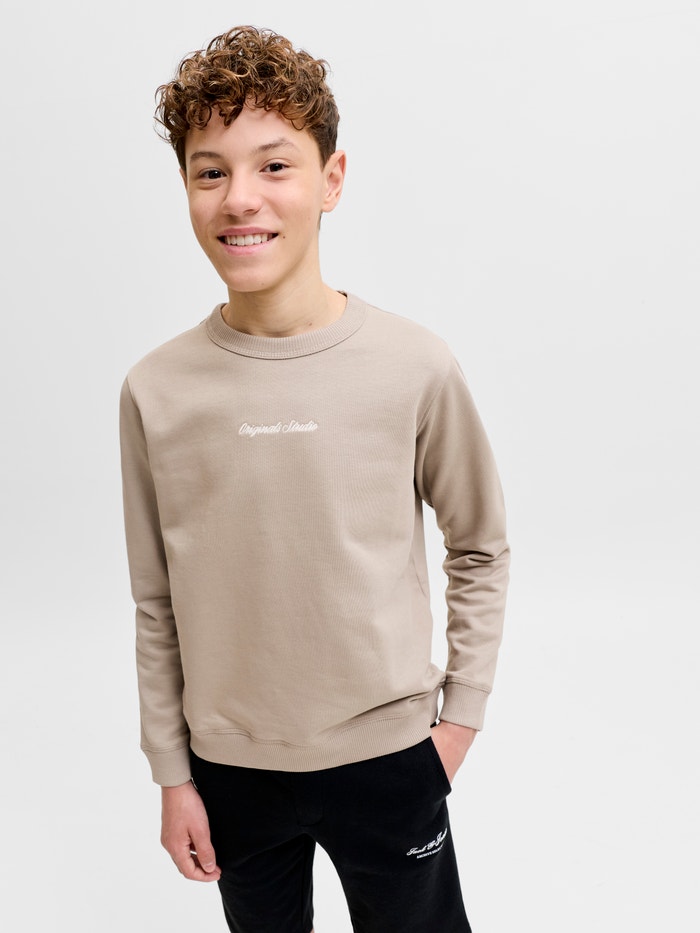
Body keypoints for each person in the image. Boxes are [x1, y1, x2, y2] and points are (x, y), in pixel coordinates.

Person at [120, 25, 509, 933]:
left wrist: (458, 722)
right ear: (186, 188)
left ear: (332, 179)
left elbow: (480, 544)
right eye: (210, 171)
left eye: (274, 165)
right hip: (232, 773)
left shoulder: (413, 364)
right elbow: (155, 599)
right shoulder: (156, 389)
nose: (240, 197)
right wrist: (172, 774)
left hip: (392, 759)